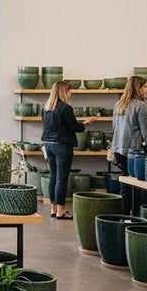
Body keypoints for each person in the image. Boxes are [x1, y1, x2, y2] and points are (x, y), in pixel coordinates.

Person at [41, 81, 95, 220]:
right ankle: (61, 210)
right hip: (62, 146)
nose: (70, 93)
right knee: (61, 178)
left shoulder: (46, 108)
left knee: (53, 177)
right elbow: (74, 127)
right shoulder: (66, 108)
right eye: (69, 91)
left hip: (48, 145)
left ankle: (53, 208)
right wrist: (85, 123)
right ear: (64, 92)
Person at [107, 76, 147, 214]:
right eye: (145, 86)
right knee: (137, 187)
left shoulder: (119, 104)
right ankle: (136, 217)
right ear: (138, 88)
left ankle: (124, 217)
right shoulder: (142, 106)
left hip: (118, 150)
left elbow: (114, 129)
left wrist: (110, 149)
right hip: (133, 153)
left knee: (126, 185)